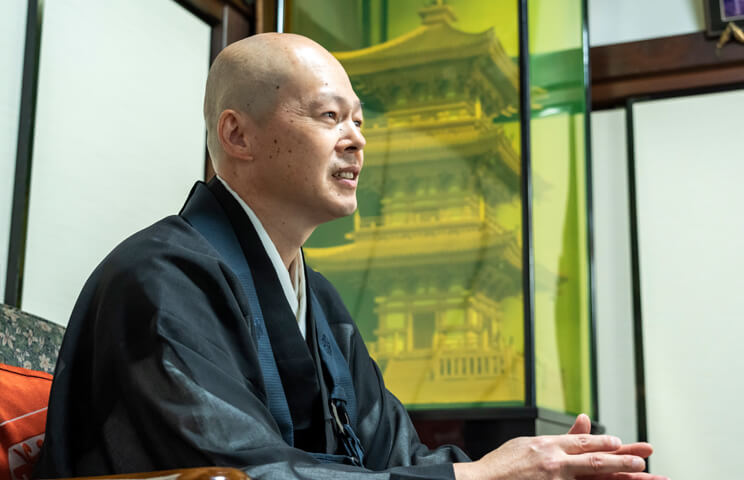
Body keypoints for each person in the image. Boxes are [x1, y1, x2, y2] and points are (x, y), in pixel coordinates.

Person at [34, 33, 666, 480]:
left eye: (360, 120)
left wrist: (533, 468)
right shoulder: (157, 280)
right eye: (329, 115)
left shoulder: (321, 299)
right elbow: (236, 474)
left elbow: (394, 456)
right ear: (238, 134)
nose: (357, 140)